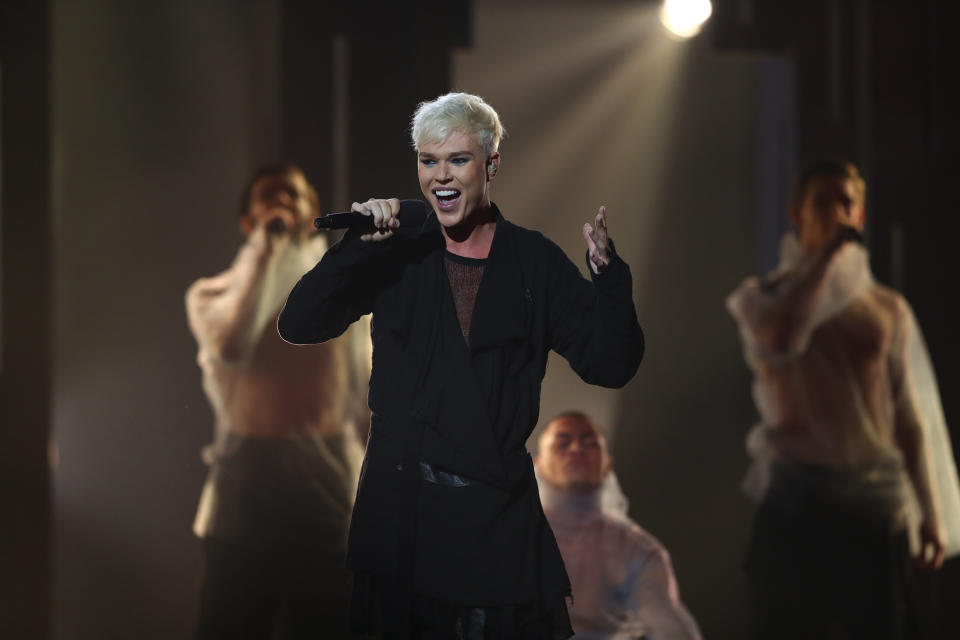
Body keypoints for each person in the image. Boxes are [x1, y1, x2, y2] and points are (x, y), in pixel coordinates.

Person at [278, 92, 645, 638]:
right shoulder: (394, 248)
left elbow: (611, 364)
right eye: (428, 161)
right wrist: (358, 246)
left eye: (457, 160)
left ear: (491, 164)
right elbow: (300, 324)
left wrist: (608, 278)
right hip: (402, 521)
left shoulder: (533, 262)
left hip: (496, 527)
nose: (439, 176)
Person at [726, 161, 960, 639]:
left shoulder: (887, 308)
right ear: (797, 213)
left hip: (875, 508)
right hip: (797, 506)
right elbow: (782, 340)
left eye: (845, 202)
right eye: (822, 202)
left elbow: (908, 417)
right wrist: (828, 257)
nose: (835, 212)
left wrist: (930, 514)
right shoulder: (764, 299)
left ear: (861, 214)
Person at [185, 162, 369, 638]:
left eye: (294, 194)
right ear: (248, 220)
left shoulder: (345, 295)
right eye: (270, 194)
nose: (283, 202)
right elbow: (230, 346)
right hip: (246, 487)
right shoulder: (212, 294)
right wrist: (266, 253)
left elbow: (367, 395)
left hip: (326, 486)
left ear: (313, 214)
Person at [535, 411, 702, 640]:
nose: (576, 449)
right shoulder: (505, 536)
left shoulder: (637, 549)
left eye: (590, 442)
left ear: (608, 464)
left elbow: (671, 629)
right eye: (562, 442)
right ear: (539, 464)